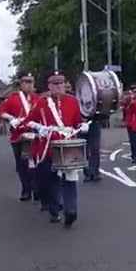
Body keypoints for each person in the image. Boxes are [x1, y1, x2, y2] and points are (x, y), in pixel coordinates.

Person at [25, 70, 90, 227]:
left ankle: (70, 210)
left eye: (61, 83)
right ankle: (54, 209)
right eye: (55, 84)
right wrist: (39, 127)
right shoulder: (42, 102)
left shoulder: (73, 101)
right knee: (49, 180)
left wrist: (83, 126)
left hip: (68, 144)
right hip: (48, 145)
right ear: (49, 86)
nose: (59, 86)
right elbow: (29, 121)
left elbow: (77, 121)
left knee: (70, 177)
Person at [0, 74, 40, 201]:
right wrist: (11, 119)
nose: (29, 84)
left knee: (36, 162)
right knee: (21, 163)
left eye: (31, 82)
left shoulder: (38, 98)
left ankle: (36, 189)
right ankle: (26, 189)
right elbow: (2, 112)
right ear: (21, 84)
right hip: (18, 135)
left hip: (35, 134)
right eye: (26, 82)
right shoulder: (13, 98)